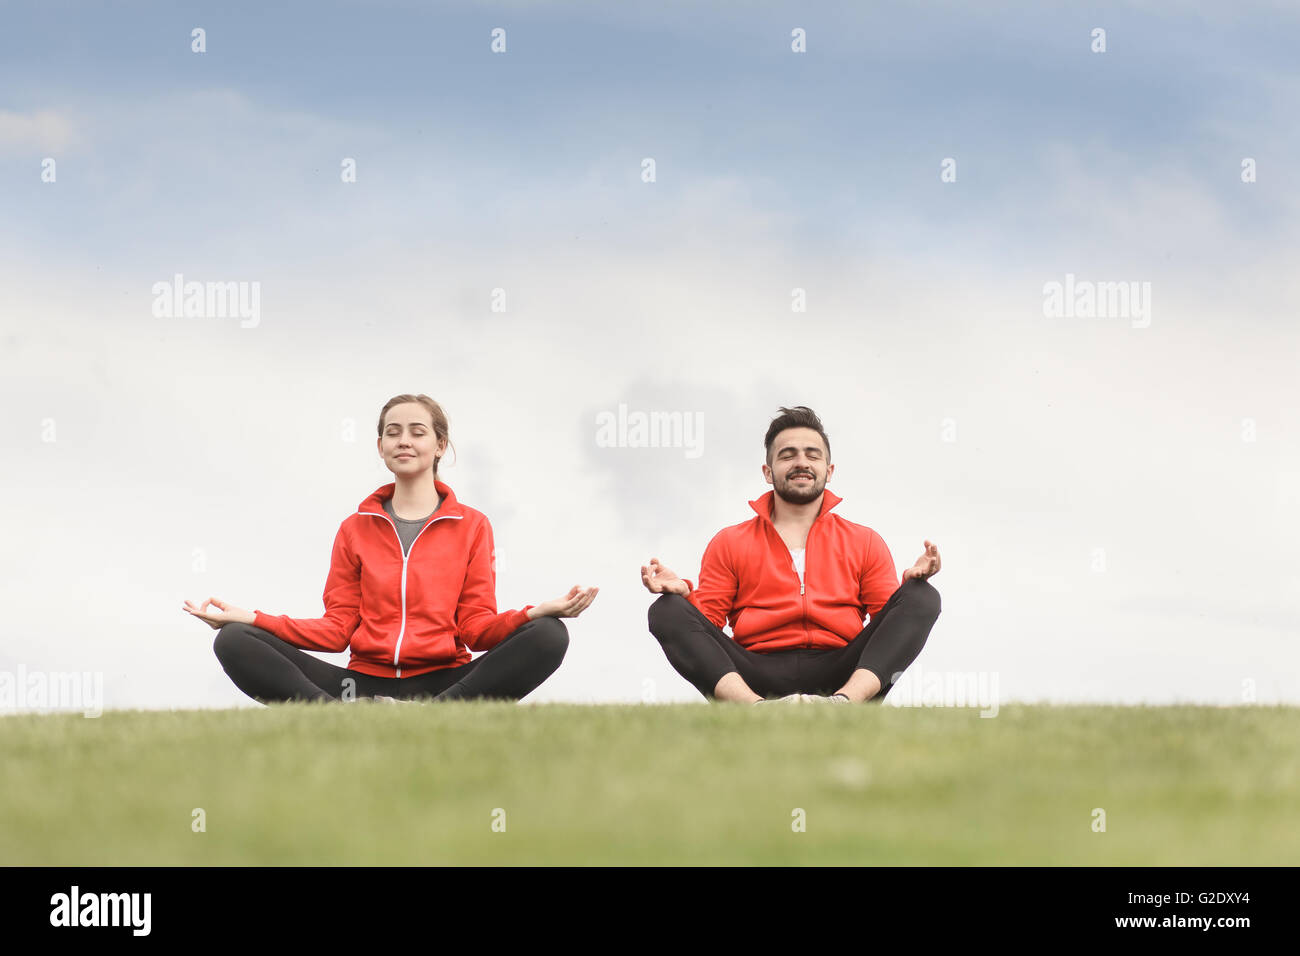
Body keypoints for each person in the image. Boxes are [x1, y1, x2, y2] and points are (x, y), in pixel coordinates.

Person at [184, 393, 597, 704]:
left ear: (439, 446)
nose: (404, 440)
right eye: (392, 432)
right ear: (380, 446)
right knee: (234, 640)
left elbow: (476, 628)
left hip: (447, 683)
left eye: (418, 432)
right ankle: (340, 720)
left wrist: (534, 612)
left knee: (548, 635)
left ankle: (437, 715)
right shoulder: (354, 529)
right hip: (359, 686)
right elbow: (337, 630)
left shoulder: (472, 525)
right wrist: (253, 617)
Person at [642, 405, 941, 704]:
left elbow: (886, 623)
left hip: (841, 668)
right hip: (755, 672)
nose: (802, 463)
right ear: (768, 472)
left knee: (923, 596)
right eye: (788, 455)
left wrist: (910, 586)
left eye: (813, 455)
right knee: (666, 609)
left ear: (829, 470)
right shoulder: (729, 541)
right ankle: (753, 708)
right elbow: (705, 624)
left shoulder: (865, 541)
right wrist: (685, 596)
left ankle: (846, 704)